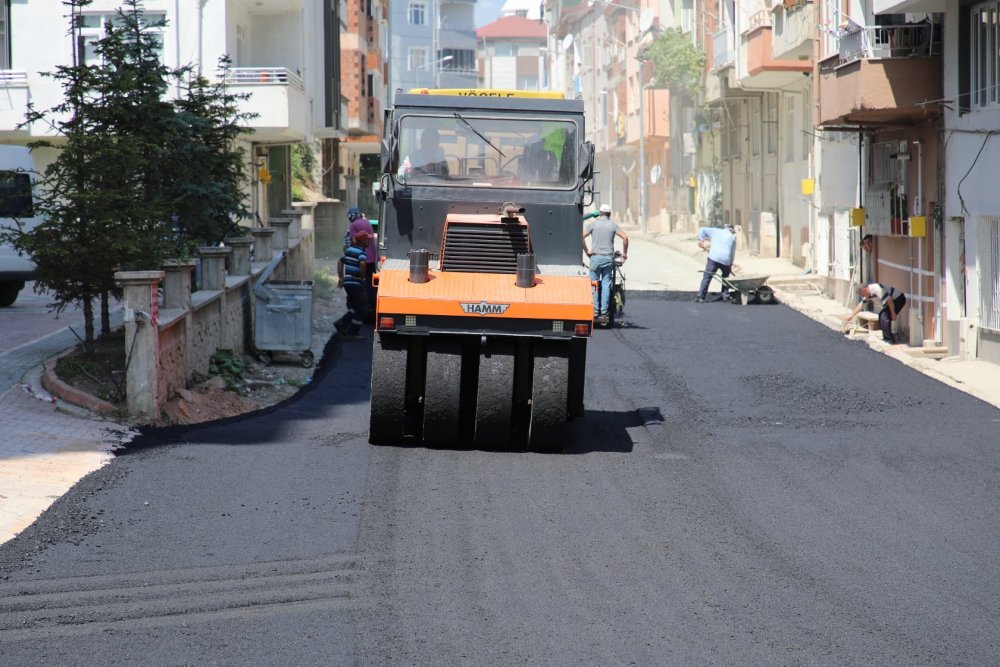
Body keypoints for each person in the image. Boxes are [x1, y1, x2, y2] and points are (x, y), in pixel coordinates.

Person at [582, 203, 628, 326]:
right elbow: (625, 238)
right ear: (610, 214)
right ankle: (604, 311)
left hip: (595, 258)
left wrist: (587, 251)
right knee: (607, 284)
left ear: (600, 213)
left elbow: (581, 236)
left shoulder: (593, 225)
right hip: (608, 259)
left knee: (594, 284)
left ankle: (595, 311)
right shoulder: (613, 225)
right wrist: (624, 254)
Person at [335, 230, 369, 339]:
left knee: (355, 306)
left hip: (347, 283)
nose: (369, 240)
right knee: (361, 308)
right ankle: (352, 333)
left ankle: (341, 323)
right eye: (367, 239)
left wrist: (341, 277)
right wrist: (362, 277)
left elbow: (340, 262)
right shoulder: (361, 253)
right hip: (355, 283)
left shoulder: (349, 250)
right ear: (362, 241)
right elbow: (363, 263)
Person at [695, 224, 737, 302]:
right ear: (731, 230)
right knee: (726, 277)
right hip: (726, 259)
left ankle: (701, 296)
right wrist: (730, 264)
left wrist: (701, 240)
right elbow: (732, 253)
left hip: (713, 258)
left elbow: (702, 229)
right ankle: (725, 295)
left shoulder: (715, 231)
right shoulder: (733, 237)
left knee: (707, 276)